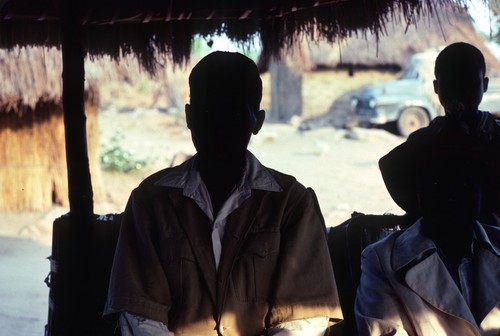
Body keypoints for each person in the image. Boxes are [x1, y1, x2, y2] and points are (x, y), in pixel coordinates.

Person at [104, 51, 342, 335]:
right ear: (190, 117)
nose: (221, 127)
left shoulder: (291, 203)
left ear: (258, 122)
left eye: (235, 114)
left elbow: (302, 322)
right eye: (208, 112)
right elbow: (141, 319)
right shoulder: (150, 203)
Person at [355, 132, 500, 335]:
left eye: (466, 184)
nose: (453, 197)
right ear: (419, 195)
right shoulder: (381, 261)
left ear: (482, 195)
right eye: (437, 184)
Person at [379, 41, 500, 225]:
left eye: (469, 83)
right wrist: (421, 212)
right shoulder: (427, 138)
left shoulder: (494, 135)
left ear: (484, 85)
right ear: (436, 88)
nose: (460, 93)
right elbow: (388, 165)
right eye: (451, 84)